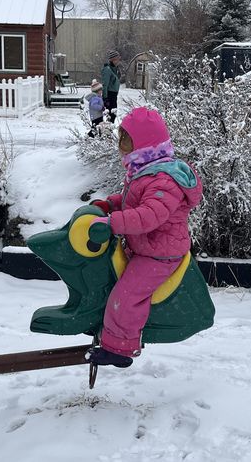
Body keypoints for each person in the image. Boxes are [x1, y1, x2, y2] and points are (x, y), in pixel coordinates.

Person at [86, 107, 203, 367]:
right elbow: (133, 202)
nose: (120, 148)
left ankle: (119, 349)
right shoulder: (146, 170)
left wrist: (112, 223)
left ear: (142, 145)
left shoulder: (164, 179)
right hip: (146, 247)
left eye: (124, 142)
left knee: (127, 295)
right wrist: (110, 204)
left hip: (160, 254)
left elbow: (149, 215)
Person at [101, 50, 122, 123]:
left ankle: (109, 132)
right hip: (109, 95)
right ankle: (107, 132)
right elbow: (105, 84)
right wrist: (105, 98)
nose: (118, 61)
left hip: (114, 95)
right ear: (112, 60)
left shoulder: (115, 69)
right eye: (116, 59)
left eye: (119, 59)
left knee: (113, 115)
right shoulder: (107, 69)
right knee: (110, 116)